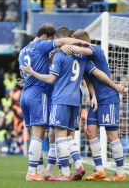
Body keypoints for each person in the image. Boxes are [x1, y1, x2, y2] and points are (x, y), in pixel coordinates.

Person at [20, 41, 124, 181]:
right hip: (77, 100)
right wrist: (94, 95)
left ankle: (65, 173)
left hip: (64, 100)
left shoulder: (65, 54)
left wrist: (32, 73)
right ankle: (88, 167)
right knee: (80, 133)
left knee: (59, 135)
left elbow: (51, 79)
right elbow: (93, 76)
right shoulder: (83, 59)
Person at [18, 23, 92, 181]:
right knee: (42, 136)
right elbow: (60, 42)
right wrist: (84, 44)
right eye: (50, 40)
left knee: (38, 136)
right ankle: (33, 172)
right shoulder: (42, 46)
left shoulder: (23, 50)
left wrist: (28, 78)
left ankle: (40, 169)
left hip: (25, 93)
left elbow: (24, 75)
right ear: (45, 37)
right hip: (40, 93)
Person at [63, 29, 127, 181]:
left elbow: (99, 74)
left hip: (109, 96)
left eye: (75, 42)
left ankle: (120, 173)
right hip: (97, 100)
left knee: (112, 135)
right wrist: (93, 96)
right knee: (90, 131)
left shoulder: (95, 50)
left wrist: (116, 87)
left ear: (82, 42)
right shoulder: (83, 60)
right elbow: (88, 78)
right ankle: (100, 169)